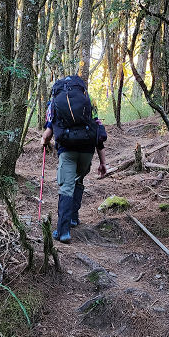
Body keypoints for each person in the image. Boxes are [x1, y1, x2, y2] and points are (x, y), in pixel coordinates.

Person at [41, 76, 107, 244]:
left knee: (66, 187)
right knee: (78, 180)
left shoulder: (54, 102)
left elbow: (48, 134)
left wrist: (44, 142)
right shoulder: (89, 100)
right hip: (87, 150)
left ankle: (63, 232)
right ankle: (73, 218)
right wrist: (103, 162)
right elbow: (98, 130)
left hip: (67, 150)